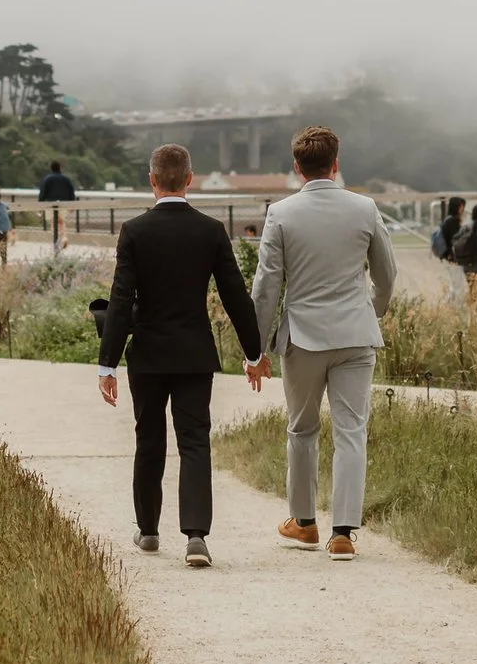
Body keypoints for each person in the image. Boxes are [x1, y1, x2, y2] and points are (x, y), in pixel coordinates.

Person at [95, 143, 264, 568]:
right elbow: (235, 297)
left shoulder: (134, 231)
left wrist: (107, 362)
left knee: (148, 440)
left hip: (148, 356)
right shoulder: (210, 231)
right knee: (194, 443)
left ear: (152, 181)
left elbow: (119, 300)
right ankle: (196, 538)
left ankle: (148, 532)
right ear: (190, 179)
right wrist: (253, 352)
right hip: (193, 355)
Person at [249, 126, 396, 562]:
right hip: (355, 333)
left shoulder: (281, 214)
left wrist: (255, 350)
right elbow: (386, 276)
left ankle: (305, 523)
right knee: (352, 432)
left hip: (304, 338)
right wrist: (372, 310)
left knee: (302, 428)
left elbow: (266, 288)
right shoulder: (365, 209)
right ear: (336, 162)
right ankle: (344, 533)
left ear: (297, 167)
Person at [432, 197, 468, 302]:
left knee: (455, 286)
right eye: (460, 206)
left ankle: (446, 308)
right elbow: (455, 241)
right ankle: (457, 310)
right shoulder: (453, 221)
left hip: (448, 258)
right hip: (453, 259)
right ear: (456, 207)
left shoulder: (448, 220)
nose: (462, 209)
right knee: (459, 287)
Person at [37, 159, 78, 250]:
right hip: (63, 203)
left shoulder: (47, 179)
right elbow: (71, 192)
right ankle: (64, 237)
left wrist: (40, 205)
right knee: (62, 221)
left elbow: (43, 193)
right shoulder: (66, 179)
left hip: (51, 204)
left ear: (51, 168)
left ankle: (57, 240)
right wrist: (72, 205)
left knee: (53, 222)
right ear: (60, 168)